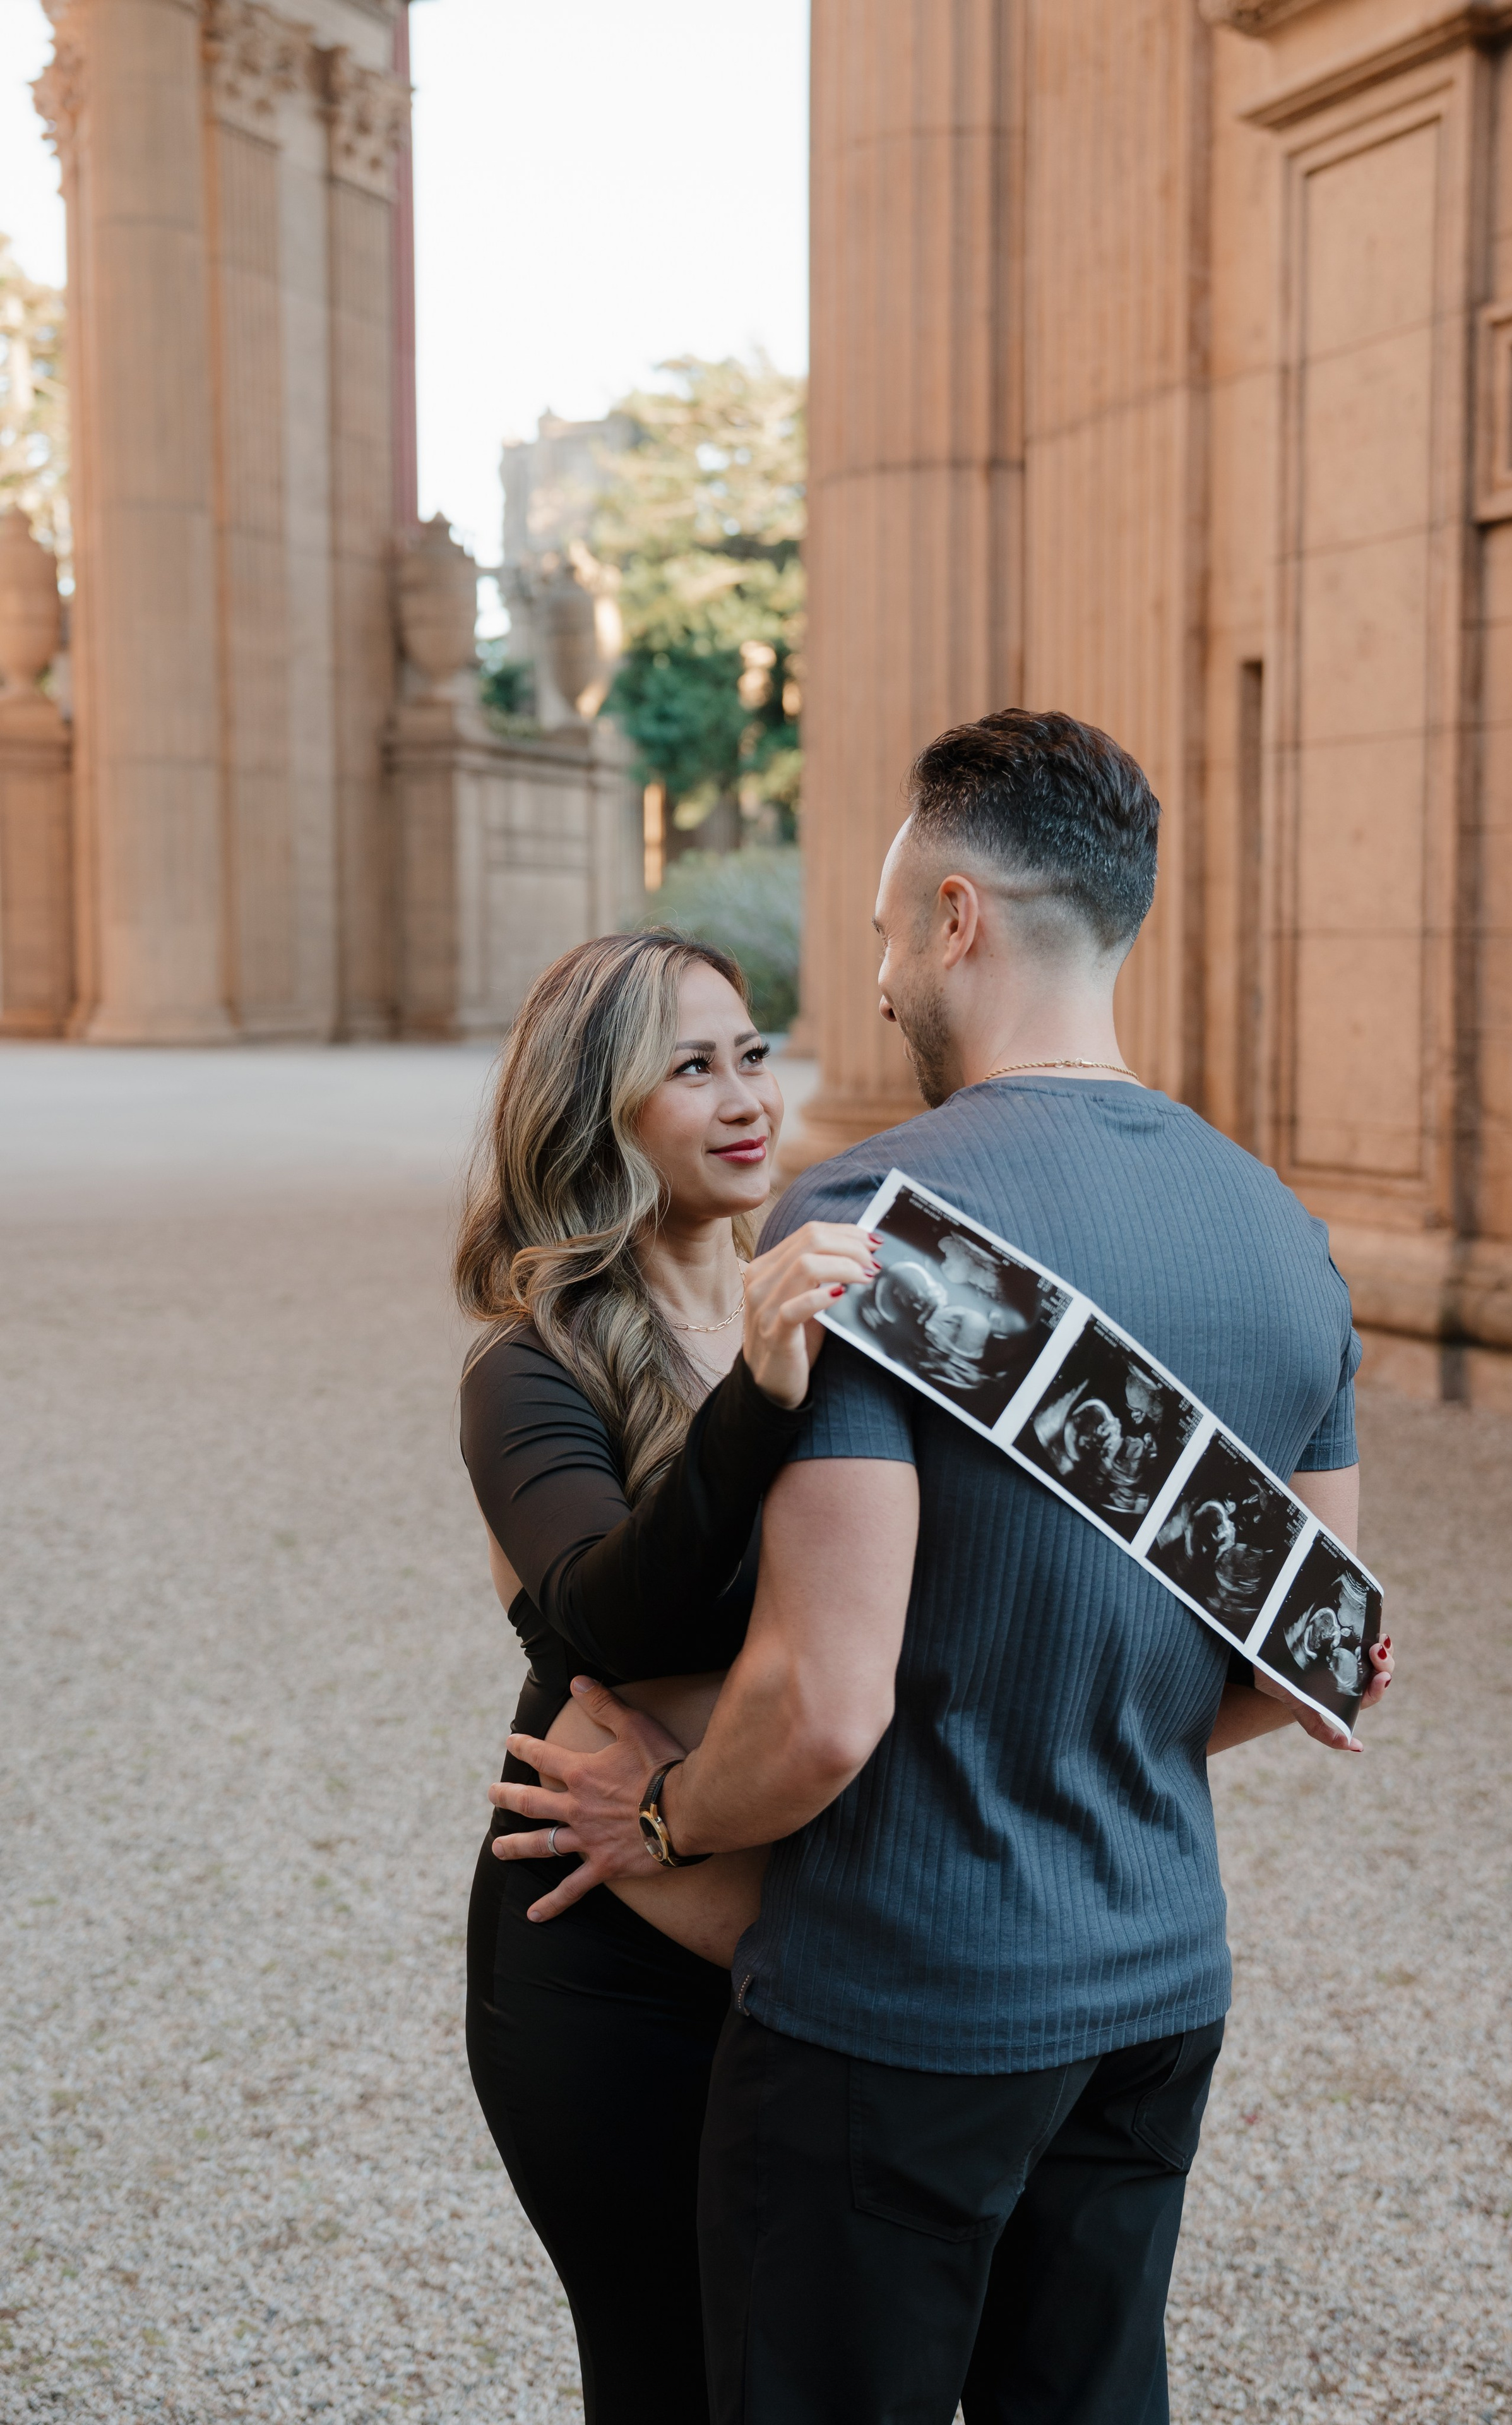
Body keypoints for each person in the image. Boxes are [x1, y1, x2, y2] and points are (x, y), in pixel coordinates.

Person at [494, 710, 1395, 2424]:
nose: (881, 977)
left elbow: (824, 1711)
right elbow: (1306, 1656)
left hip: (899, 2008)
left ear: (958, 919)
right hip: (1157, 1985)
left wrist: (659, 1824)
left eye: (890, 930)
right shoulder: (1284, 1232)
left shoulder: (876, 1226)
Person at [454, 931, 876, 2425]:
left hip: (810, 1935)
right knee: (674, 2378)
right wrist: (757, 1394)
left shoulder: (823, 1307)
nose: (745, 1097)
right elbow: (610, 1616)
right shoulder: (528, 1368)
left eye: (751, 1054)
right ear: (596, 1112)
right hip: (603, 1962)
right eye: (690, 1068)